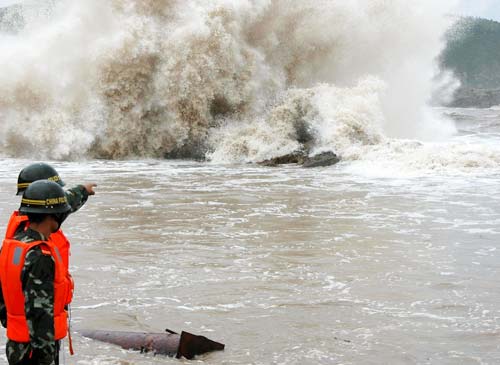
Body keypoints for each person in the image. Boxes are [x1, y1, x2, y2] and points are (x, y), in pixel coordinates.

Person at [0, 180, 73, 364]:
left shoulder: (13, 245)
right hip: (35, 351)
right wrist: (45, 356)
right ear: (53, 215)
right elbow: (39, 312)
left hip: (16, 346)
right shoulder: (40, 255)